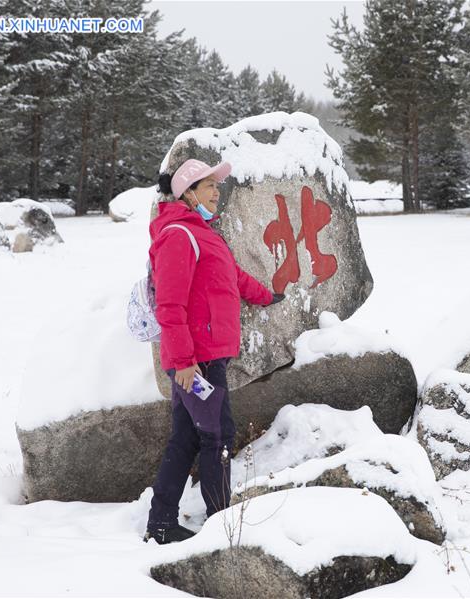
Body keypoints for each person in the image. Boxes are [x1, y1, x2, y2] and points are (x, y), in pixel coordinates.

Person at [144, 158, 283, 545]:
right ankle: (222, 524)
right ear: (188, 193)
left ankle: (161, 523)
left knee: (187, 438)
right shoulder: (177, 235)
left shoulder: (202, 233)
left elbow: (231, 276)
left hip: (205, 355)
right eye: (209, 186)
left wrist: (266, 296)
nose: (216, 192)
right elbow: (170, 305)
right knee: (218, 435)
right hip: (197, 360)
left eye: (216, 186)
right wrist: (184, 362)